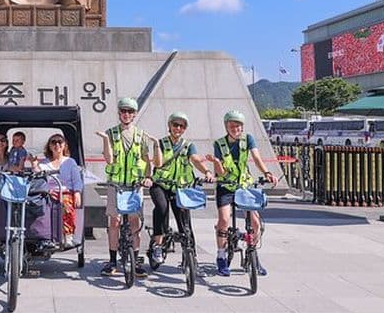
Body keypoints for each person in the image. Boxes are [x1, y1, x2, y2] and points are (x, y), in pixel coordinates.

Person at [206, 110, 278, 277]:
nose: (235, 129)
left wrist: (267, 173)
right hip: (225, 186)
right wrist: (216, 162)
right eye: (232, 126)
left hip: (243, 185)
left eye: (238, 126)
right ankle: (221, 256)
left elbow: (257, 158)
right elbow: (221, 172)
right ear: (226, 127)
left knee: (256, 223)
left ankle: (252, 253)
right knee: (224, 220)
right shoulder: (219, 144)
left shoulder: (248, 139)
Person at [95, 97, 161, 277]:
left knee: (134, 222)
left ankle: (136, 260)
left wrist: (148, 177)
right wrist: (106, 140)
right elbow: (109, 159)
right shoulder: (111, 133)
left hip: (135, 185)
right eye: (123, 111)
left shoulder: (141, 135)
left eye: (130, 111)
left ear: (135, 114)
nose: (126, 114)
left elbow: (147, 161)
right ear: (119, 113)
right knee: (114, 222)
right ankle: (112, 261)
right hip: (115, 184)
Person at [148, 112, 215, 267]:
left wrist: (207, 171)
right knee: (161, 207)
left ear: (185, 129)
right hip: (160, 184)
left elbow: (195, 160)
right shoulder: (161, 143)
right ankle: (157, 245)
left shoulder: (188, 146)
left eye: (181, 126)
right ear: (169, 126)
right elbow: (157, 163)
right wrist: (156, 146)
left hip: (180, 187)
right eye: (175, 125)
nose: (178, 128)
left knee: (184, 221)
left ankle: (192, 256)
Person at [39, 133, 83, 247]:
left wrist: (77, 192)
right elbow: (39, 180)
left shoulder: (70, 162)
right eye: (53, 142)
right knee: (41, 207)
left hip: (65, 191)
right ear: (49, 146)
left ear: (64, 145)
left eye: (60, 142)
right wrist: (47, 191)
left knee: (66, 206)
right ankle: (45, 235)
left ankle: (68, 235)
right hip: (48, 192)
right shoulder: (43, 163)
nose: (57, 145)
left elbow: (77, 179)